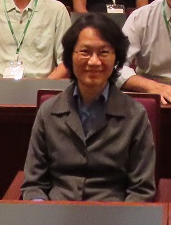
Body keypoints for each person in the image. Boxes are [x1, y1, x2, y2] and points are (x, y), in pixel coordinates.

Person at [20, 15, 156, 201]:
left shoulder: (135, 115)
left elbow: (141, 190)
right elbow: (34, 184)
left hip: (112, 218)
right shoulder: (48, 111)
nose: (94, 61)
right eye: (85, 52)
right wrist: (41, 215)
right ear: (70, 57)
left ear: (116, 58)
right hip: (56, 216)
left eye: (103, 53)